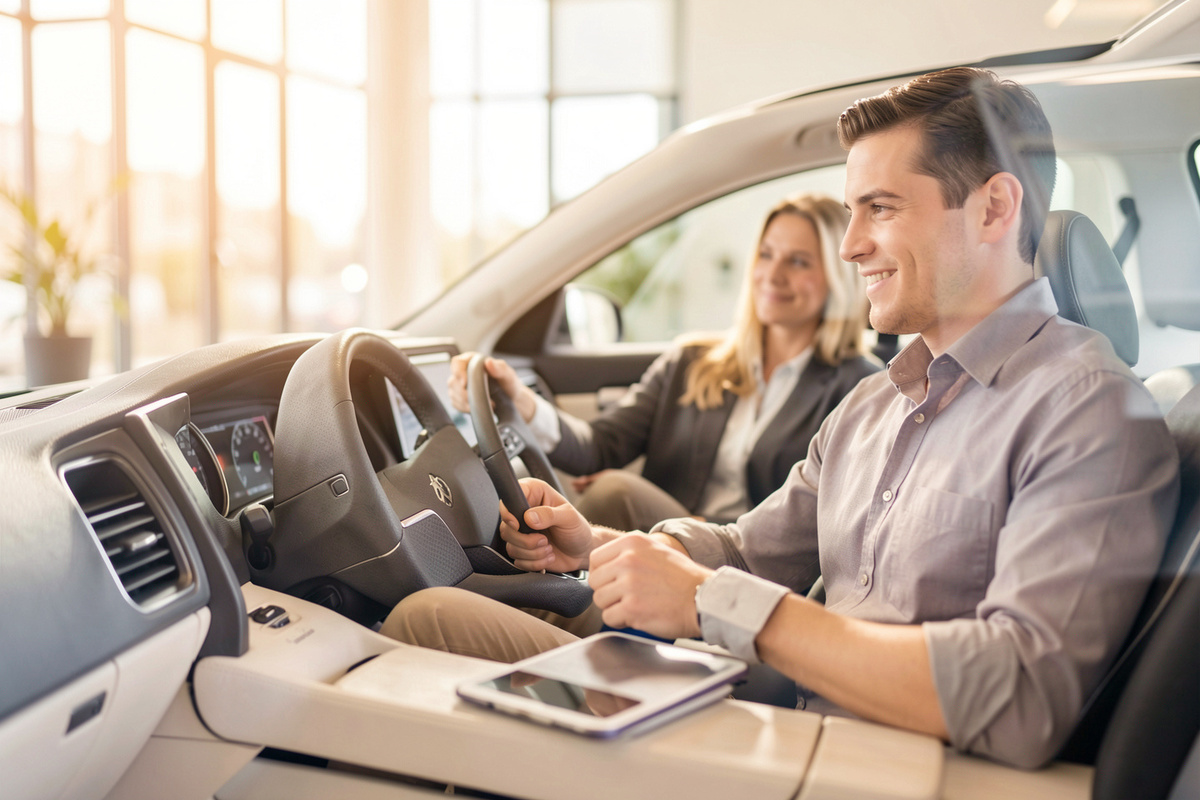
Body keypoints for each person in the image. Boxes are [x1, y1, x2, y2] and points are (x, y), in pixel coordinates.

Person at [383, 67, 1180, 769]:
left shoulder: (1088, 411)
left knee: (428, 624)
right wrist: (596, 547)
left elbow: (1022, 696)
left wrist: (710, 604)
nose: (851, 246)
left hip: (872, 764)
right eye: (850, 211)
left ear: (994, 208)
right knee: (434, 613)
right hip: (791, 713)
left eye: (881, 209)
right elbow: (748, 549)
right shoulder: (877, 402)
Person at [446, 193, 878, 532]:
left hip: (750, 563)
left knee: (614, 492)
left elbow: (828, 523)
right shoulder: (692, 362)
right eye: (766, 254)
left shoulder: (861, 387)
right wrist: (522, 402)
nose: (773, 274)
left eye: (798, 261)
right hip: (656, 549)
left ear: (837, 278)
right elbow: (599, 448)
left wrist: (699, 529)